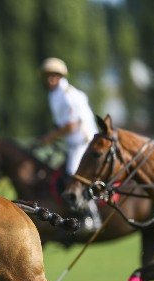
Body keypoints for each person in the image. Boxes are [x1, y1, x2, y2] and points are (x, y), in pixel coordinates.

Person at [39, 57, 102, 232]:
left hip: (84, 142)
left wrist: (49, 137)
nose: (50, 79)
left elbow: (72, 125)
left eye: (54, 75)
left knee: (73, 174)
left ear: (61, 76)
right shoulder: (54, 95)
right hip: (72, 143)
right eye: (47, 76)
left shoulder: (68, 95)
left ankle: (92, 215)